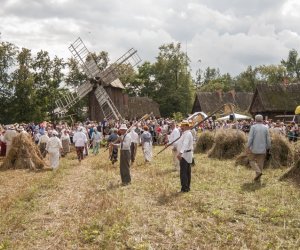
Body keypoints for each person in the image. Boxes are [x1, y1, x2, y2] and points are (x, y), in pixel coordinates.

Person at [247, 114, 271, 182]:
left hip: (254, 148)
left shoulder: (253, 127)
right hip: (263, 148)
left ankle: (258, 173)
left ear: (255, 120)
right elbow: (268, 139)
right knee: (260, 163)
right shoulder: (266, 127)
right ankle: (258, 178)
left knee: (251, 160)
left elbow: (250, 138)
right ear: (262, 119)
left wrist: (248, 146)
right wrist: (268, 147)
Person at [177, 120, 194, 192]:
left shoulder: (187, 134)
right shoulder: (185, 133)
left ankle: (184, 188)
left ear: (186, 126)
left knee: (184, 172)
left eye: (183, 125)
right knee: (187, 172)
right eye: (181, 125)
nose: (181, 127)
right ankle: (187, 187)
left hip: (185, 154)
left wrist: (180, 153)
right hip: (186, 154)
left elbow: (185, 144)